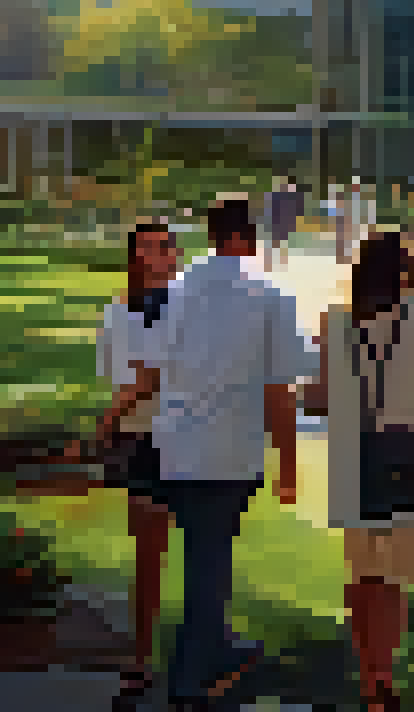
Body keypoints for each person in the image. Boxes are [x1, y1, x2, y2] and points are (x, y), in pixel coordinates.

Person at [149, 199, 311, 709]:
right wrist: (288, 463)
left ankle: (216, 647)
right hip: (230, 445)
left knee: (203, 549)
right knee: (210, 555)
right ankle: (192, 673)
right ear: (247, 237)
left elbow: (159, 368)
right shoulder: (267, 293)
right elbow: (280, 387)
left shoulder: (176, 292)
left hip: (177, 444)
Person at [313, 231, 414, 712]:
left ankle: (367, 673)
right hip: (411, 454)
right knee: (394, 579)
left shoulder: (334, 323)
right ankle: (385, 675)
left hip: (352, 455)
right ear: (405, 274)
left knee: (362, 575)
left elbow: (320, 399)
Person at [83, 221, 184, 701]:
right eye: (148, 247)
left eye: (165, 247)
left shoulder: (188, 311)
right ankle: (143, 657)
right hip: (142, 441)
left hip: (188, 437)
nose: (158, 256)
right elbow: (132, 377)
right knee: (149, 554)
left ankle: (197, 654)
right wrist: (119, 414)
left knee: (203, 554)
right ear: (135, 255)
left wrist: (109, 417)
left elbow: (154, 377)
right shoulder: (117, 313)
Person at [263, 179, 301, 272]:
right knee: (275, 243)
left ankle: (280, 263)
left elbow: (297, 211)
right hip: (277, 222)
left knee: (281, 243)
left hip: (282, 223)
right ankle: (271, 263)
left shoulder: (292, 197)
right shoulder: (276, 195)